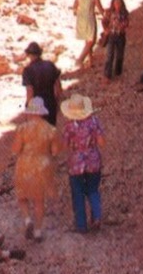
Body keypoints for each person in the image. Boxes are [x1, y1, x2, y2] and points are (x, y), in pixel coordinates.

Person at [12, 96, 62, 240]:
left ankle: (27, 219)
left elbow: (15, 149)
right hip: (43, 166)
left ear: (30, 112)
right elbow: (55, 151)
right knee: (39, 200)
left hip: (25, 164)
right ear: (41, 112)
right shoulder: (50, 129)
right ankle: (38, 231)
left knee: (22, 196)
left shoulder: (22, 128)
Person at [60, 94, 105, 233]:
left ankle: (81, 225)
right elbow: (102, 142)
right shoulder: (94, 122)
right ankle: (97, 216)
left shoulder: (69, 126)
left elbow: (64, 145)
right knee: (93, 190)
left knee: (77, 193)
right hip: (93, 161)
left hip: (75, 164)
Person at [22, 41, 62, 127]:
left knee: (38, 135)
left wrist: (29, 108)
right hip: (51, 103)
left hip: (37, 106)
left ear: (29, 55)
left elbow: (30, 92)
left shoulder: (28, 70)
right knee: (50, 132)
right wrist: (57, 102)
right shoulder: (51, 65)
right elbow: (58, 87)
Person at [72, 0, 104, 68]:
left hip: (80, 18)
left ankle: (91, 61)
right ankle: (80, 59)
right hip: (90, 18)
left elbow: (74, 8)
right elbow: (100, 9)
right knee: (91, 40)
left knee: (87, 39)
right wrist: (106, 15)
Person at [100, 0, 130, 80]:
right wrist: (106, 29)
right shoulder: (109, 12)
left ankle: (118, 71)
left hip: (120, 35)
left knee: (120, 54)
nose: (117, 4)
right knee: (110, 54)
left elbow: (127, 23)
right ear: (113, 3)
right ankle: (107, 74)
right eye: (115, 2)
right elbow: (104, 21)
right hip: (111, 35)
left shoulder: (124, 13)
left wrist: (122, 25)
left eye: (118, 2)